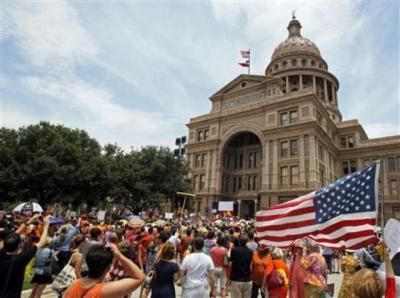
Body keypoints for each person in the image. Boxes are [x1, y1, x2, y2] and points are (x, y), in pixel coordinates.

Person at [64, 243, 145, 298]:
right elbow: (140, 277)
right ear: (108, 268)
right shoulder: (103, 291)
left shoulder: (74, 284)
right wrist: (119, 255)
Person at [0, 215, 50, 298]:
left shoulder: (2, 252)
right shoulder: (21, 258)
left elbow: (12, 236)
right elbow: (41, 243)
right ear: (19, 245)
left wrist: (29, 221)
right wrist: (46, 225)